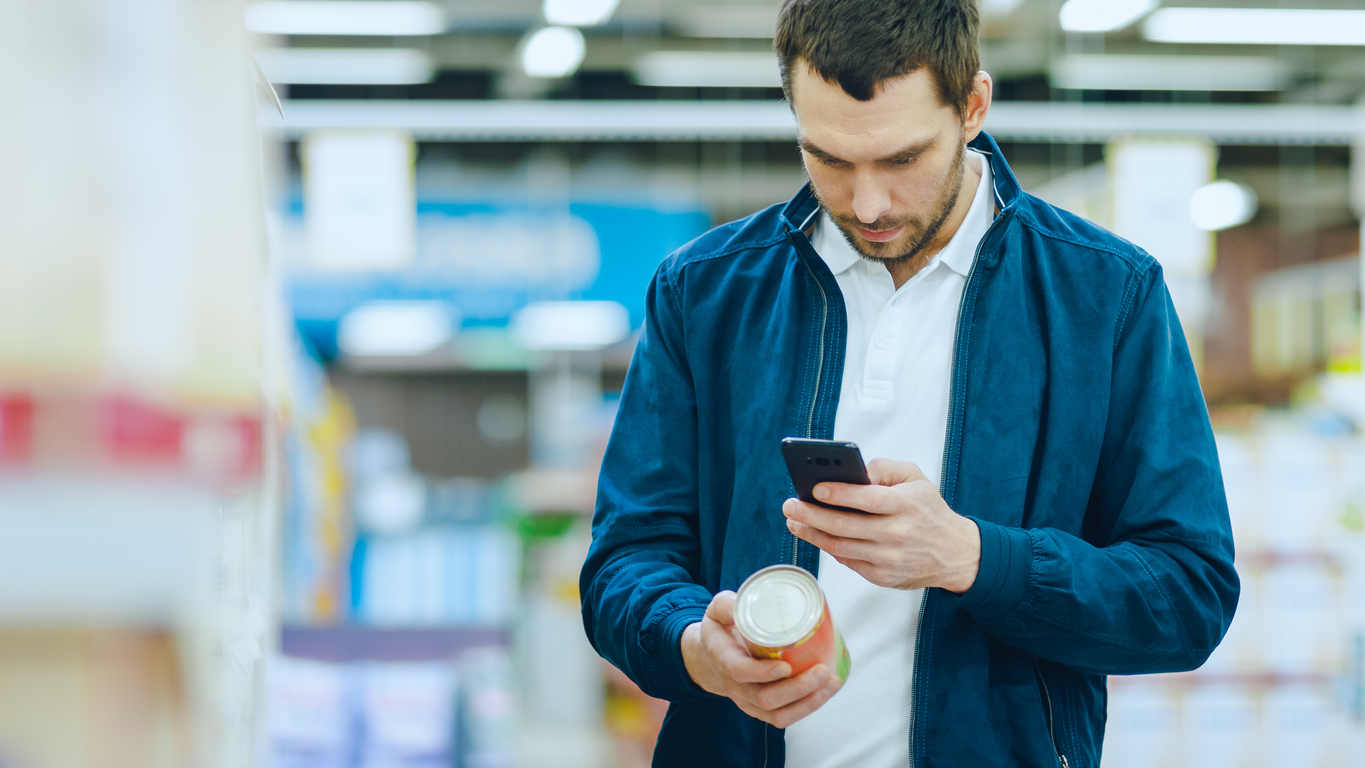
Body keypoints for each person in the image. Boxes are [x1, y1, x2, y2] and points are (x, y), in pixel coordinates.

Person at [579, 0, 1240, 765]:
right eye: (826, 157)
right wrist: (691, 644)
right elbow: (625, 559)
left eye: (900, 160)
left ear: (973, 107)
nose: (867, 203)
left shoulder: (1103, 295)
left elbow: (1186, 594)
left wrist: (973, 558)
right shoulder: (704, 291)